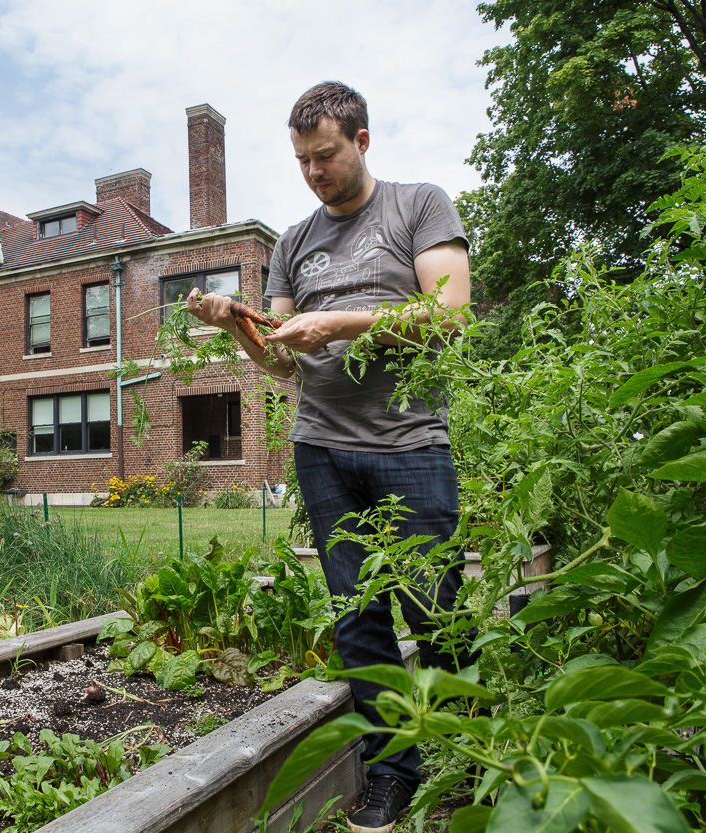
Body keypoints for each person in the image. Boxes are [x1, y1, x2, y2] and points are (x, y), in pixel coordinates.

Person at [186, 81, 473, 833]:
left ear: (362, 141)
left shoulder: (419, 206)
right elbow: (281, 362)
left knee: (435, 609)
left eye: (325, 155)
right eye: (301, 160)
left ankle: (470, 751)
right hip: (322, 449)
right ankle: (391, 770)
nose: (313, 172)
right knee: (359, 617)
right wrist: (236, 325)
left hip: (411, 445)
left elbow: (448, 318)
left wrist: (341, 322)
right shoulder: (292, 243)